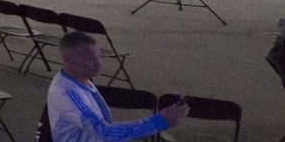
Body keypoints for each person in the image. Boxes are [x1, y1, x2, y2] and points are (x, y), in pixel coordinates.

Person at [49, 30, 185, 140]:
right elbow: (103, 132)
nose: (98, 64)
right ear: (67, 59)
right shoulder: (68, 94)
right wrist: (158, 121)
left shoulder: (80, 78)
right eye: (89, 59)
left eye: (98, 57)